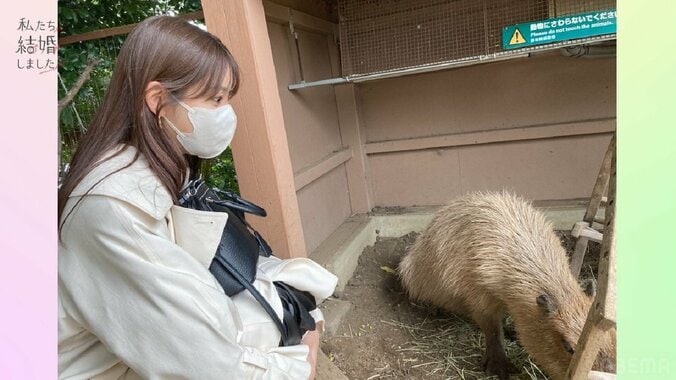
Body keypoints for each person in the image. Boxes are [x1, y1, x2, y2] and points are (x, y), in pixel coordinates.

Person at [58, 15, 337, 379]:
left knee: (288, 302)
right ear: (158, 100)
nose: (227, 114)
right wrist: (302, 363)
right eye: (215, 99)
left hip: (131, 347)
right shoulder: (114, 207)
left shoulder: (154, 165)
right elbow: (207, 365)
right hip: (103, 368)